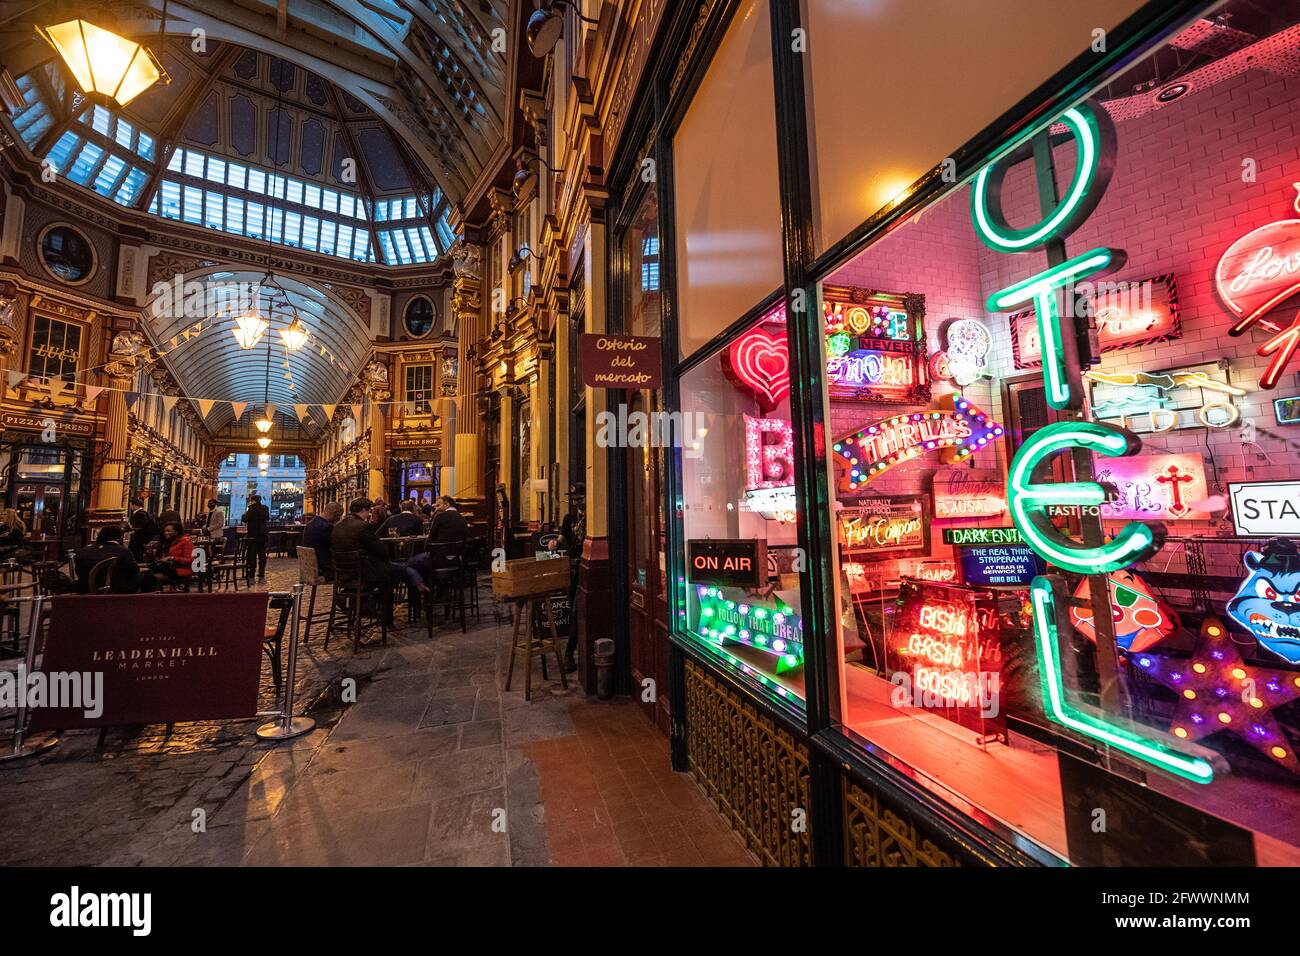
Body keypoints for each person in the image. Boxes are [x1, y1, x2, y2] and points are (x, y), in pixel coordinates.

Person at [331, 497, 408, 624]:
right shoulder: (363, 526)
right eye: (368, 511)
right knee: (396, 571)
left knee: (389, 570)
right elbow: (380, 551)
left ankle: (362, 602)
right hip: (362, 573)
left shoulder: (337, 526)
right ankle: (380, 613)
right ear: (363, 510)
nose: (369, 514)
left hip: (342, 573)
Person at [74, 526, 152, 593]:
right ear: (119, 538)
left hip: (85, 587)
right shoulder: (122, 551)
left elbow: (77, 570)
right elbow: (134, 570)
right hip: (116, 588)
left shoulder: (85, 550)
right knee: (149, 578)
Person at [561, 482, 585, 673]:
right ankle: (571, 654)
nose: (577, 502)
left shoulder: (591, 519)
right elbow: (562, 538)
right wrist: (553, 542)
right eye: (574, 499)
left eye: (580, 498)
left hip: (583, 570)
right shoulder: (569, 518)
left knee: (577, 611)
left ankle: (569, 653)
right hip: (571, 570)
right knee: (573, 610)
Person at [302, 501, 343, 581]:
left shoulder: (310, 524)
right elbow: (336, 545)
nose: (338, 519)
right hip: (324, 570)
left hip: (312, 567)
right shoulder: (326, 527)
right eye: (339, 516)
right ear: (334, 514)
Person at [150, 521, 194, 590]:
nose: (165, 533)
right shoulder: (168, 542)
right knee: (147, 576)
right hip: (168, 569)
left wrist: (172, 558)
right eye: (164, 531)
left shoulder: (185, 542)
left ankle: (157, 598)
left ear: (176, 532)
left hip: (181, 570)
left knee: (154, 578)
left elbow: (190, 560)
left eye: (168, 531)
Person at [241, 494, 271, 582]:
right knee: (262, 555)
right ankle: (261, 572)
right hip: (263, 535)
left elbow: (245, 519)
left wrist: (246, 512)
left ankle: (252, 573)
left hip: (253, 536)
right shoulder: (265, 508)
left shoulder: (251, 509)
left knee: (252, 555)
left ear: (253, 500)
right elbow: (268, 518)